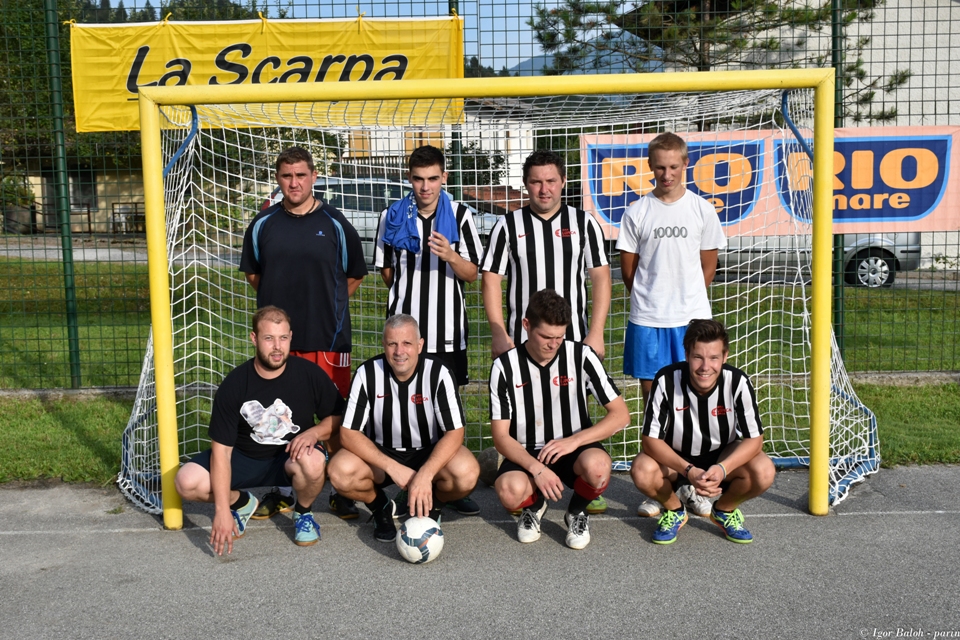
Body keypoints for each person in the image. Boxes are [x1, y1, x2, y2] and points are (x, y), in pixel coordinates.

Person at [239, 146, 368, 521]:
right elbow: (254, 275)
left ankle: (340, 491)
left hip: (328, 338)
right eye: (286, 176)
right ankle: (282, 490)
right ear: (278, 179)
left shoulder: (336, 223)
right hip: (279, 344)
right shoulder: (263, 223)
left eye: (300, 175)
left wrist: (328, 306)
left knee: (335, 416)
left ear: (313, 177)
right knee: (278, 416)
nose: (293, 183)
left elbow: (355, 275)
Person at [481, 149, 612, 514]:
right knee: (525, 411)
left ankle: (584, 481)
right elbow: (491, 279)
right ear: (525, 185)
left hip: (573, 337)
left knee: (574, 408)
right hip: (523, 339)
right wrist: (498, 331)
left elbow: (601, 277)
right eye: (536, 182)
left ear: (563, 182)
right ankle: (531, 476)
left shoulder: (584, 223)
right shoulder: (508, 225)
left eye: (551, 181)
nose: (544, 189)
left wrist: (596, 331)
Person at [616, 132, 727, 519]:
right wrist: (654, 299)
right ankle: (661, 486)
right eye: (660, 167)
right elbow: (629, 271)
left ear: (685, 165)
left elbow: (708, 265)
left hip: (691, 322)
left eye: (674, 167)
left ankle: (693, 482)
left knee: (695, 403)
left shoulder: (702, 210)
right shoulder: (637, 212)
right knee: (656, 407)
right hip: (648, 322)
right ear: (650, 167)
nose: (667, 174)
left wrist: (686, 300)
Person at [174, 306, 345, 554]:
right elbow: (221, 452)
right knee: (186, 482)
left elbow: (338, 416)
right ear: (254, 338)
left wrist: (314, 433)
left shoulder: (308, 374)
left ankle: (303, 513)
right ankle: (241, 503)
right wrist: (221, 510)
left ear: (291, 337)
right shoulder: (235, 384)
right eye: (269, 338)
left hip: (290, 457)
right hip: (245, 458)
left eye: (283, 338)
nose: (277, 346)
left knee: (313, 461)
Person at [374, 145, 484, 518]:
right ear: (409, 178)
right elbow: (387, 271)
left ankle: (445, 489)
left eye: (433, 179)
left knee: (446, 415)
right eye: (419, 179)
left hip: (447, 334)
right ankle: (407, 482)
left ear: (444, 178)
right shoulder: (391, 215)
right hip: (404, 339)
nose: (425, 187)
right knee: (403, 409)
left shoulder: (461, 215)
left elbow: (474, 273)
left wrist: (451, 256)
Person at [489, 289, 629, 550]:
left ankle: (577, 512)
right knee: (509, 491)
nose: (553, 344)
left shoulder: (582, 356)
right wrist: (537, 469)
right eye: (546, 336)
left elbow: (620, 415)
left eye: (559, 337)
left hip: (574, 446)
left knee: (598, 466)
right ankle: (534, 506)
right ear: (526, 325)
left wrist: (574, 441)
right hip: (526, 450)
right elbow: (500, 437)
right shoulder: (504, 366)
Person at [327, 314, 480, 543]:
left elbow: (455, 432)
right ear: (383, 345)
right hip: (381, 455)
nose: (399, 351)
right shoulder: (367, 373)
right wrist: (393, 467)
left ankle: (433, 506)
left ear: (420, 345)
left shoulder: (439, 373)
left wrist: (426, 474)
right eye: (392, 344)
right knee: (340, 471)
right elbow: (348, 434)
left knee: (466, 473)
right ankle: (381, 507)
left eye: (407, 343)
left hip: (429, 451)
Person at [631, 319, 774, 545]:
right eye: (698, 357)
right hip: (676, 460)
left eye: (714, 358)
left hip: (721, 455)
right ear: (687, 355)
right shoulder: (666, 380)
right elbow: (650, 440)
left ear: (725, 357)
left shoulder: (738, 382)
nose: (705, 367)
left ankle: (724, 510)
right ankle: (674, 510)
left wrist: (723, 468)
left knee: (764, 471)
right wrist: (689, 470)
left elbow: (755, 440)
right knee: (642, 470)